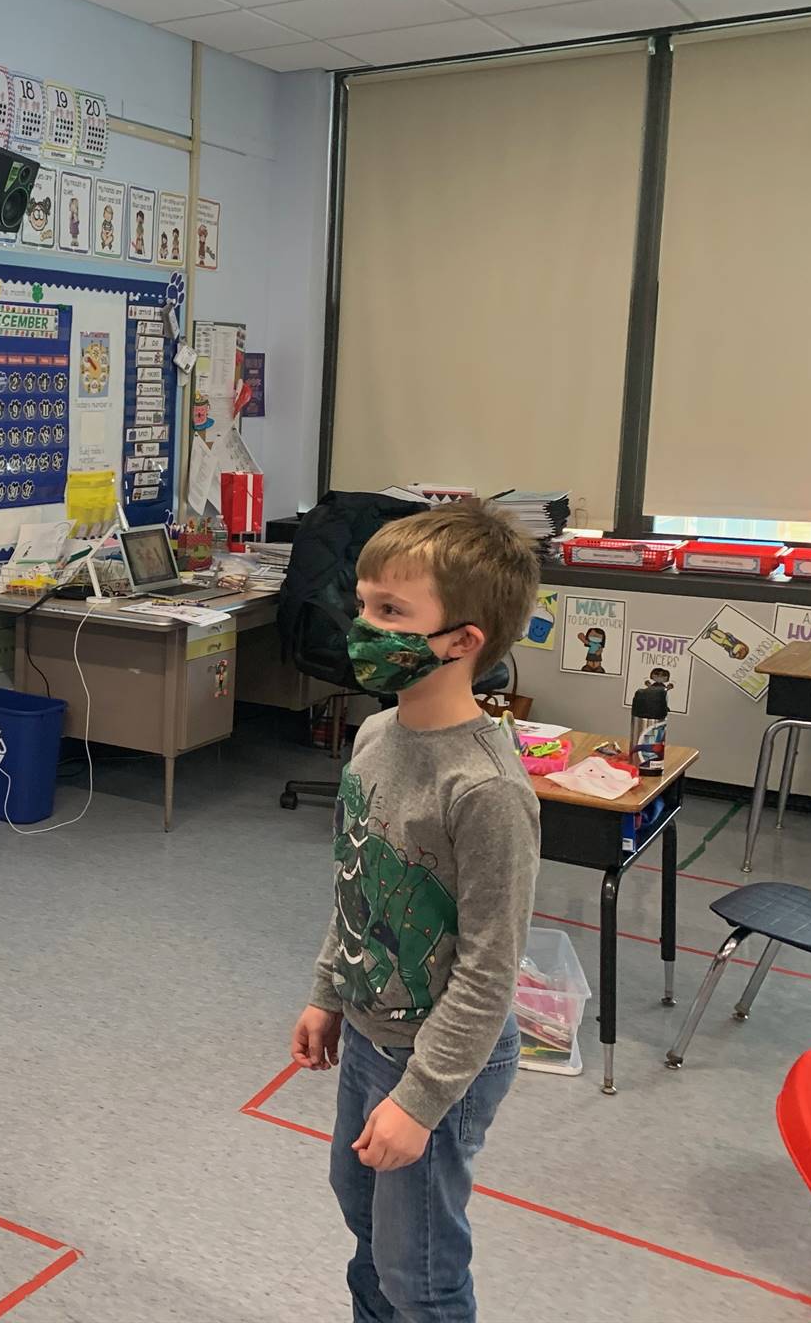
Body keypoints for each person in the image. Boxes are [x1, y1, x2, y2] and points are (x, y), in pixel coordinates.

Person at [291, 500, 541, 1323]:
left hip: (441, 1059)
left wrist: (423, 1098)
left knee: (418, 1270)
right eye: (363, 604)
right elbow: (357, 882)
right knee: (363, 1224)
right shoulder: (373, 735)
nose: (363, 628)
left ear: (464, 640)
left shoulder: (486, 789)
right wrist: (329, 992)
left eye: (391, 613)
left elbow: (490, 970)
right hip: (370, 1032)